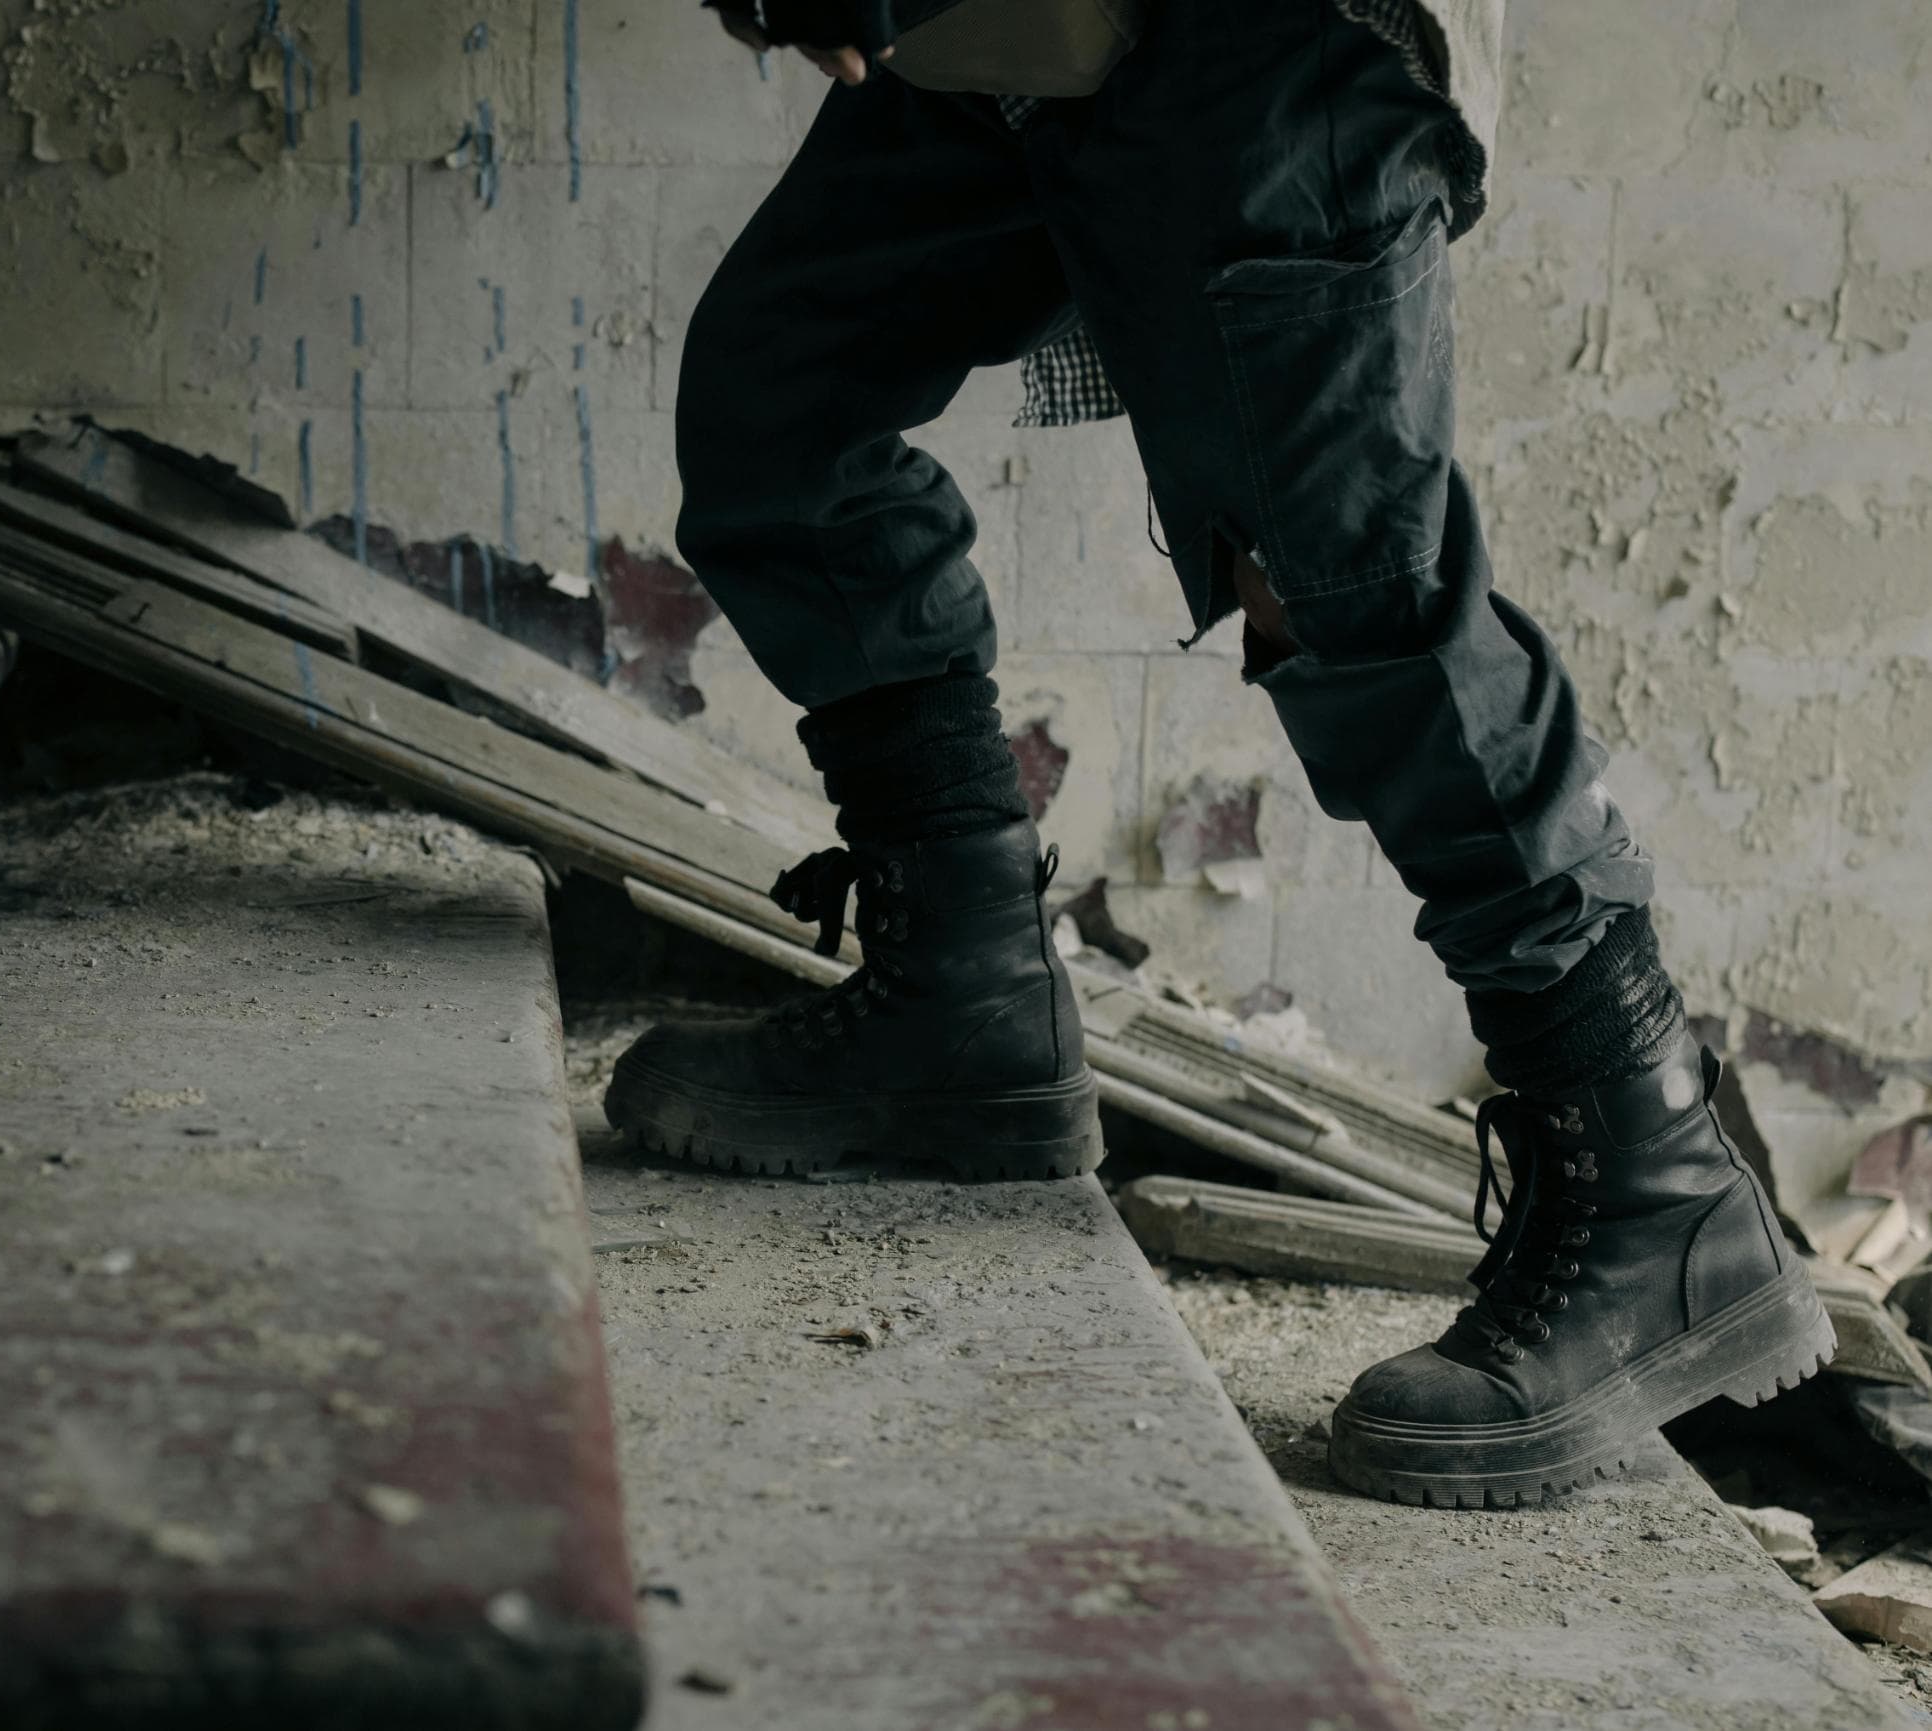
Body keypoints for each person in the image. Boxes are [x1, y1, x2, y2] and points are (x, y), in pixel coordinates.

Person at [604, 0, 1832, 1508]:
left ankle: (1658, 1194)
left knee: (1339, 594)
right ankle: (963, 1009)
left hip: (1274, 33)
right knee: (776, 413)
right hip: (1006, 48)